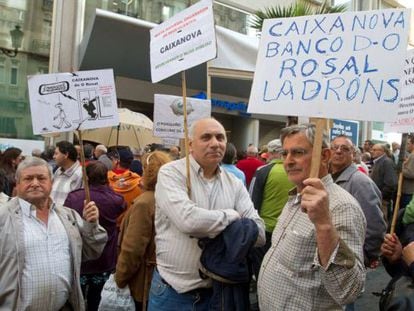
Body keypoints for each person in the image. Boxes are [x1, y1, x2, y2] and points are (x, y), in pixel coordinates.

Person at [148, 118, 265, 310]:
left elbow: (258, 233)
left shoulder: (234, 183)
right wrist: (232, 217)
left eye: (220, 137)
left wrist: (212, 223)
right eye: (206, 137)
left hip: (220, 295)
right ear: (190, 144)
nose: (215, 143)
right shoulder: (171, 173)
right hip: (172, 295)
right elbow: (189, 221)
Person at [258, 124, 366, 310]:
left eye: (298, 153)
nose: (288, 161)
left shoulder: (342, 207)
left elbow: (349, 290)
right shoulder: (295, 196)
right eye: (285, 154)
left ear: (324, 156)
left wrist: (324, 225)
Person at [0, 157, 107, 310]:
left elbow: (91, 252)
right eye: (28, 178)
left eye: (41, 178)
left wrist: (91, 224)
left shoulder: (67, 216)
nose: (35, 183)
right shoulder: (3, 218)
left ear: (51, 182)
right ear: (17, 184)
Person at [64, 161, 125, 311]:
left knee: (75, 302)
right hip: (104, 259)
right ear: (106, 176)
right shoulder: (117, 200)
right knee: (97, 302)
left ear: (86, 177)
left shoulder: (73, 198)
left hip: (81, 258)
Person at [115, 151, 171, 311]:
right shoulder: (166, 197)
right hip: (158, 277)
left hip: (141, 282)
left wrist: (120, 278)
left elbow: (133, 249)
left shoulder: (144, 203)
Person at [330, 135, 386, 268]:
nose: (338, 151)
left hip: (350, 259)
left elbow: (375, 225)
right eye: (335, 148)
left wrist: (365, 256)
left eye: (345, 148)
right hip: (336, 254)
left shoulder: (360, 182)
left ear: (353, 154)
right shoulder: (331, 179)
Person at [249, 138, 293, 278]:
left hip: (266, 229)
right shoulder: (294, 171)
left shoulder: (263, 171)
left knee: (262, 268)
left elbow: (252, 201)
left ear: (272, 153)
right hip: (288, 228)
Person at [108, 148, 142, 226]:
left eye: (112, 159)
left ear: (117, 161)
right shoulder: (139, 183)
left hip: (108, 225)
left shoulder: (104, 179)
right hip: (128, 225)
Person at [370, 143, 398, 223]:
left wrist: (382, 197)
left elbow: (391, 184)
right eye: (372, 149)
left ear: (383, 151)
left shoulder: (386, 162)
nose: (372, 151)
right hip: (377, 200)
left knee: (382, 222)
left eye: (375, 150)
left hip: (382, 202)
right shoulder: (378, 162)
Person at [51, 141, 83, 206]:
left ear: (66, 155)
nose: (53, 157)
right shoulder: (58, 171)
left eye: (56, 154)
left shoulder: (81, 173)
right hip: (53, 213)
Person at [401, 135, 414, 210]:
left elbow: (411, 173)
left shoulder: (413, 156)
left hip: (409, 191)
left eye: (408, 143)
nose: (407, 146)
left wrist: (402, 167)